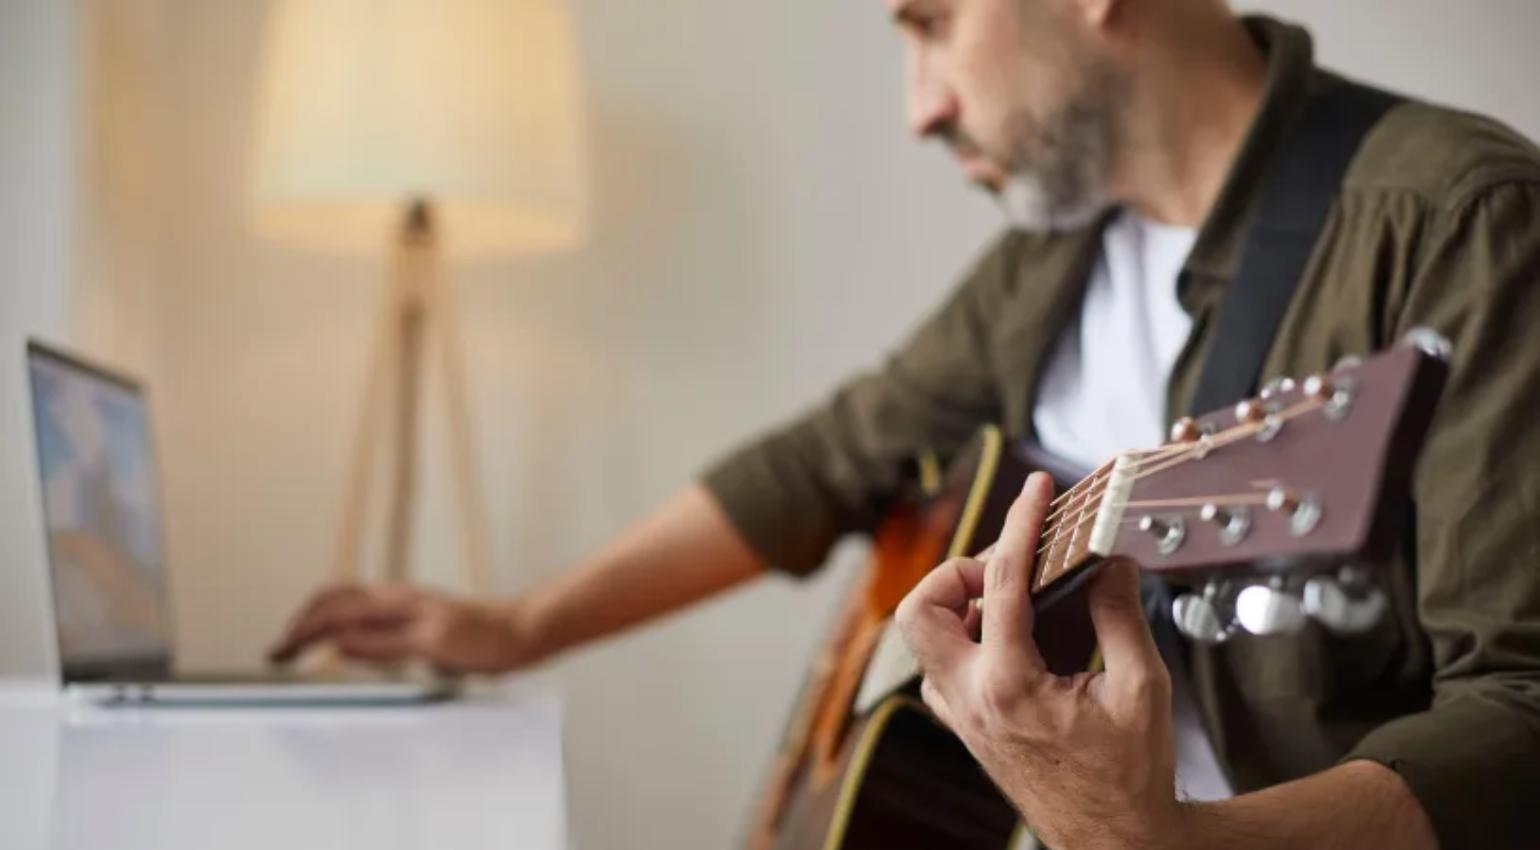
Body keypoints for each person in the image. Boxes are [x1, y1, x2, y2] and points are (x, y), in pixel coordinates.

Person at [270, 1, 1540, 847]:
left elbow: (1522, 708)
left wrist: (1174, 842)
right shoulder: (1055, 257)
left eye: (931, 23)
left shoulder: (1458, 223)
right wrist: (517, 626)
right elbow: (825, 461)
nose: (918, 106)